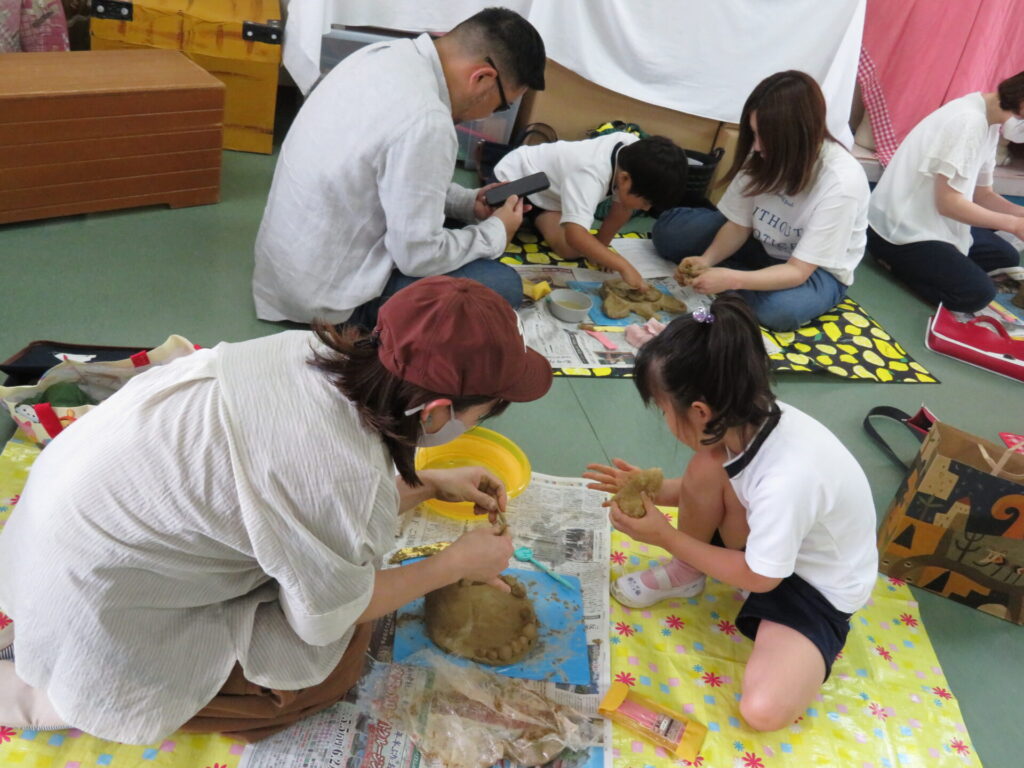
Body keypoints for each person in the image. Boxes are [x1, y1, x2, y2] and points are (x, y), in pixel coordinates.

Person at [0, 276, 553, 744]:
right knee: (328, 669)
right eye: (479, 415)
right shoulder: (343, 474)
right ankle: (67, 692)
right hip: (95, 606)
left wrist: (426, 483)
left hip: (51, 543)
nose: (474, 426)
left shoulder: (305, 351)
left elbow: (298, 499)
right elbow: (327, 614)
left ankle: (54, 655)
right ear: (435, 414)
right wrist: (453, 565)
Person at [583, 295, 877, 731]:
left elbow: (761, 578)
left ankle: (808, 643)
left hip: (815, 588)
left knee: (763, 711)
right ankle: (687, 573)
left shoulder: (787, 478)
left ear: (700, 412)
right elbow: (715, 486)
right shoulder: (750, 421)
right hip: (773, 547)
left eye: (664, 410)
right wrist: (652, 490)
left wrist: (665, 536)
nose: (664, 419)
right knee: (707, 464)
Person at [252, 8, 546, 328]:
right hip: (325, 302)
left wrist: (466, 203)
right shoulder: (428, 121)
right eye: (502, 105)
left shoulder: (384, 55)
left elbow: (392, 174)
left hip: (287, 271)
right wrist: (495, 233)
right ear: (482, 78)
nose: (490, 115)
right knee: (503, 286)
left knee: (460, 231)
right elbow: (418, 257)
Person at [652, 71, 870, 331]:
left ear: (795, 136)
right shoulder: (764, 152)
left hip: (814, 269)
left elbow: (798, 271)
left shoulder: (841, 183)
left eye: (764, 136)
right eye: (754, 133)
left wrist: (732, 279)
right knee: (669, 234)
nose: (756, 147)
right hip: (759, 243)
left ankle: (741, 280)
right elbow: (738, 225)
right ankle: (743, 280)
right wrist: (707, 260)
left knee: (778, 312)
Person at [867, 71, 1024, 312]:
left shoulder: (989, 122)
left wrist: (1020, 215)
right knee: (977, 294)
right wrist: (1013, 225)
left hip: (931, 219)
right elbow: (948, 204)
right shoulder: (968, 122)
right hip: (898, 231)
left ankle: (935, 266)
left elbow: (983, 195)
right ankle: (892, 263)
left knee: (1006, 256)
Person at [494, 134, 690, 289]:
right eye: (646, 202)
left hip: (551, 197)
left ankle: (536, 217)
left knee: (571, 251)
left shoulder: (633, 154)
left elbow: (622, 208)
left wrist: (601, 251)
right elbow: (575, 235)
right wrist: (622, 265)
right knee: (497, 237)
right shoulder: (589, 174)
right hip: (515, 181)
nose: (646, 208)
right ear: (624, 179)